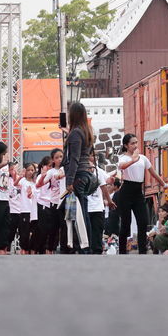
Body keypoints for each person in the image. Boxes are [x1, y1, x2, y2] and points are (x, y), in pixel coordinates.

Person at [115, 133, 166, 255]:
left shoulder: (143, 158)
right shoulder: (123, 158)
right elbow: (121, 167)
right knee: (125, 225)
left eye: (136, 142)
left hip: (138, 192)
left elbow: (153, 172)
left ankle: (142, 251)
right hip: (126, 192)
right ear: (126, 145)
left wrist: (163, 183)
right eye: (132, 143)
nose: (135, 145)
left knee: (143, 222)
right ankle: (122, 252)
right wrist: (133, 160)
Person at [62, 102, 98, 254]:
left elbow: (74, 158)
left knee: (80, 215)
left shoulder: (76, 133)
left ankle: (84, 247)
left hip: (78, 175)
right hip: (86, 174)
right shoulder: (86, 131)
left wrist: (69, 181)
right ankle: (85, 246)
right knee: (83, 213)